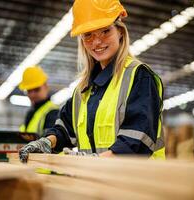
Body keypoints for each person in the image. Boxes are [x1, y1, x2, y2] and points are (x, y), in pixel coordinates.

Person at [19, 0, 165, 162]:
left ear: (120, 32)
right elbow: (65, 129)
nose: (96, 42)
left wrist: (95, 162)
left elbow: (137, 139)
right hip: (97, 182)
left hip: (137, 184)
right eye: (88, 34)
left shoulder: (139, 77)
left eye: (105, 31)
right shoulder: (84, 89)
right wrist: (47, 141)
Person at [18, 66, 59, 138]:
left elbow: (49, 144)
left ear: (46, 86)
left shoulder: (53, 112)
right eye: (29, 91)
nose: (32, 94)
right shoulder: (31, 113)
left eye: (37, 89)